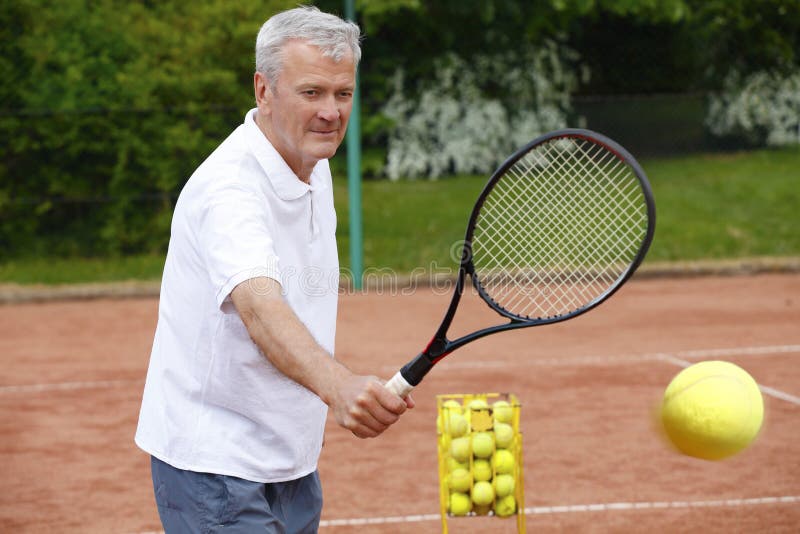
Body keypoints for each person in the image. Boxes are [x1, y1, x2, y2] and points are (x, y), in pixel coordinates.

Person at [135, 6, 413, 533]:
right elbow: (260, 309)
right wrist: (339, 385)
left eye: (343, 93)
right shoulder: (229, 190)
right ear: (264, 90)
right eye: (312, 93)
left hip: (290, 460)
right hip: (213, 464)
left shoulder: (315, 164)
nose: (331, 112)